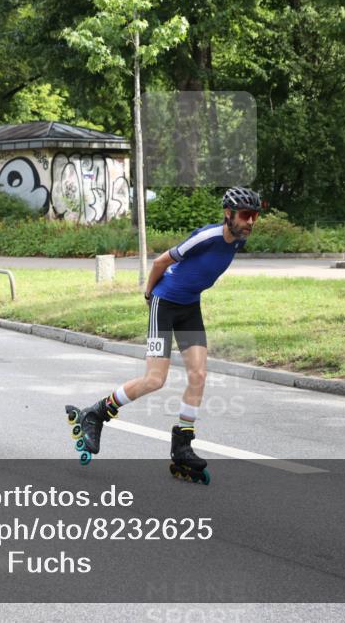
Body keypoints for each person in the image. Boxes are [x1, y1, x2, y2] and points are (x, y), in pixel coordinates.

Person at [66, 186, 263, 483]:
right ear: (228, 214)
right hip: (164, 303)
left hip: (189, 307)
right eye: (246, 215)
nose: (250, 222)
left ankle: (182, 446)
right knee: (155, 380)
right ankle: (97, 412)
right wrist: (148, 294)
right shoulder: (207, 237)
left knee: (198, 375)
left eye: (255, 216)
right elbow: (161, 262)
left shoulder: (237, 242)